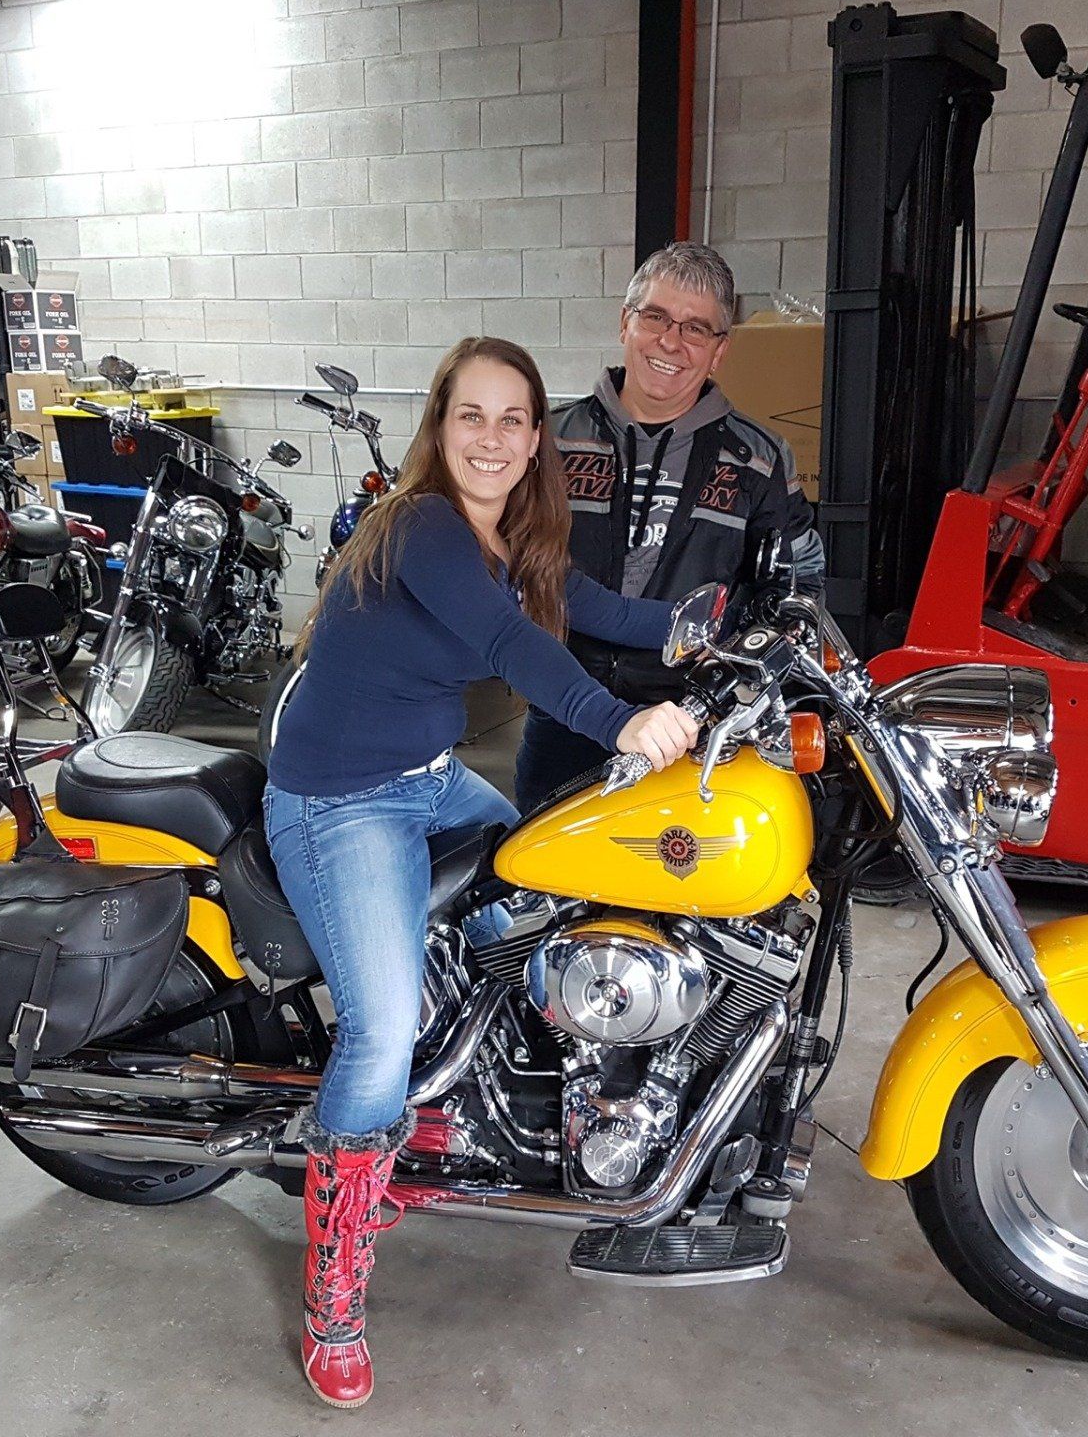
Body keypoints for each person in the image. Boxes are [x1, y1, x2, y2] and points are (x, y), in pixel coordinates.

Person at [263, 336, 698, 1409]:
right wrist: (619, 719)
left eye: (512, 419)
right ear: (441, 426)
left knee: (541, 906)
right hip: (339, 800)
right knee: (378, 1030)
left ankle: (465, 1097)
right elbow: (513, 644)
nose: (492, 438)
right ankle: (335, 1291)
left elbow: (595, 609)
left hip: (427, 776)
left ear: (537, 437)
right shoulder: (420, 526)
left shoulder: (510, 538)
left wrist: (716, 629)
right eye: (472, 415)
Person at [513, 241, 823, 811]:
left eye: (696, 328)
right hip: (564, 713)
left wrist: (739, 652)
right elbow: (504, 559)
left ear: (720, 351)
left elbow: (797, 587)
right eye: (655, 316)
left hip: (689, 729)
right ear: (625, 322)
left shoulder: (759, 459)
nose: (671, 342)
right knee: (531, 864)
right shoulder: (549, 441)